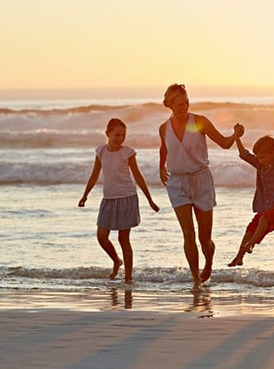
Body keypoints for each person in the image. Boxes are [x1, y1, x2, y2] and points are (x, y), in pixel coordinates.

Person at [159, 84, 243, 292]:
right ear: (169, 105)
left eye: (186, 102)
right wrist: (162, 166)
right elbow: (164, 147)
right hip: (177, 183)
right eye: (179, 104)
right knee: (188, 233)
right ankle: (196, 280)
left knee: (204, 239)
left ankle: (209, 262)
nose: (183, 107)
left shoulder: (199, 122)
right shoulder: (164, 128)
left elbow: (224, 143)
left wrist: (235, 135)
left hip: (201, 181)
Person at [79, 118, 160, 284]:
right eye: (117, 135)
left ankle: (128, 277)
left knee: (124, 239)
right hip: (108, 199)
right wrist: (85, 195)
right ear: (107, 134)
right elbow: (95, 174)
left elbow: (138, 176)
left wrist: (150, 200)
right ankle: (116, 261)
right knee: (101, 236)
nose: (120, 138)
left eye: (123, 135)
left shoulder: (127, 152)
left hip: (127, 198)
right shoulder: (100, 151)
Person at [228, 116, 274, 267]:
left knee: (263, 219)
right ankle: (239, 257)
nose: (260, 160)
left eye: (263, 157)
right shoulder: (260, 165)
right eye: (258, 158)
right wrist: (237, 137)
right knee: (251, 227)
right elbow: (244, 154)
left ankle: (251, 244)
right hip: (267, 209)